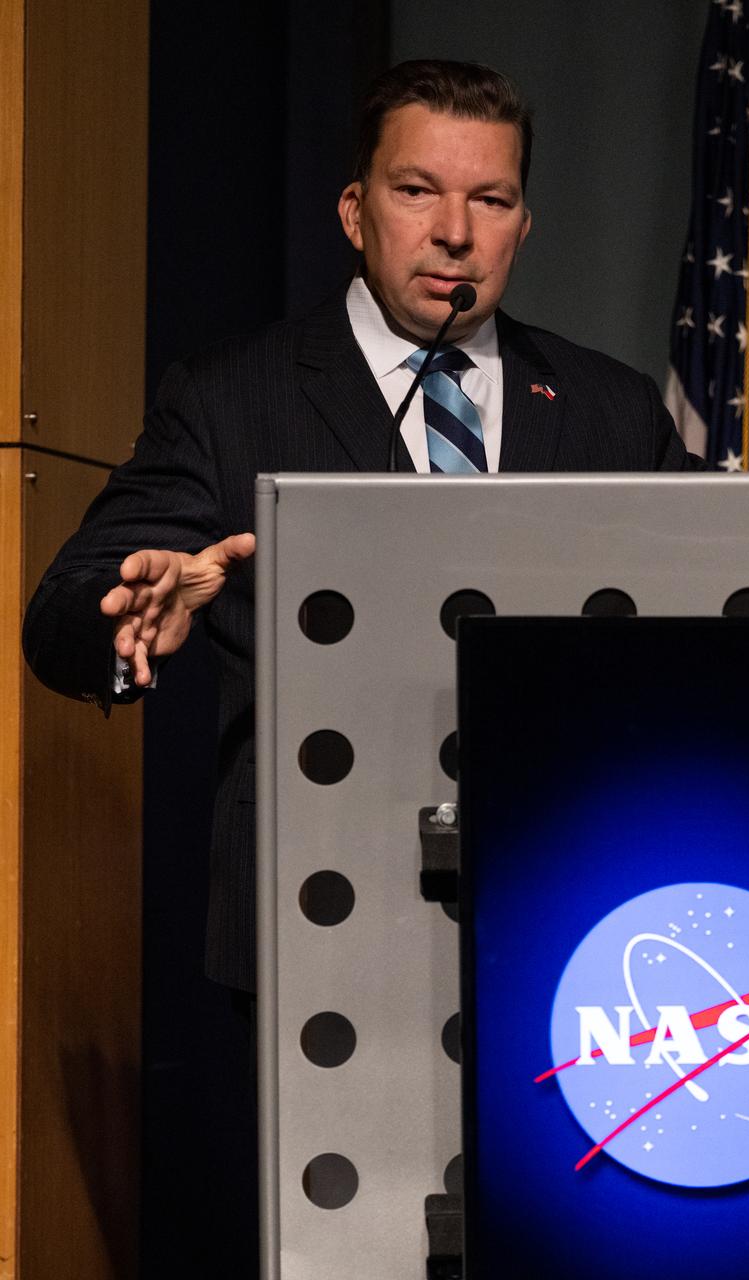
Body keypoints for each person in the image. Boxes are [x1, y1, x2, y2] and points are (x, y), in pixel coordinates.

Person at [23, 59, 704, 993]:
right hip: (318, 909)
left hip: (572, 903)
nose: (455, 233)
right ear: (355, 212)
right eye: (417, 191)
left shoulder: (607, 408)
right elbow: (60, 612)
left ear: (524, 225)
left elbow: (731, 582)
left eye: (491, 200)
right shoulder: (235, 398)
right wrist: (122, 617)